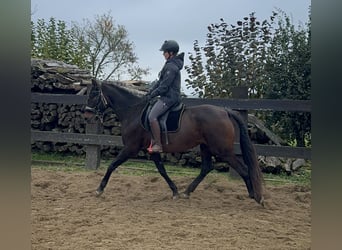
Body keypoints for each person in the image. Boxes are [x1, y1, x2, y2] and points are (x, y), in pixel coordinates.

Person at [145, 40, 184, 153]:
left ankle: (158, 145)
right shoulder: (169, 65)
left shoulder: (171, 67)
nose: (163, 54)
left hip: (169, 98)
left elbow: (164, 87)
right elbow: (160, 82)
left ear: (171, 53)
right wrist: (150, 91)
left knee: (152, 116)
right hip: (167, 96)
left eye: (165, 52)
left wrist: (153, 95)